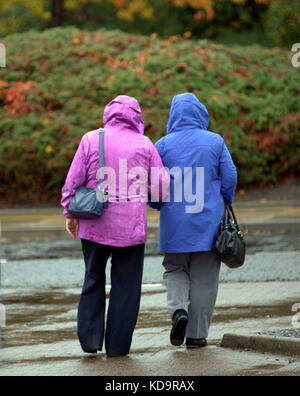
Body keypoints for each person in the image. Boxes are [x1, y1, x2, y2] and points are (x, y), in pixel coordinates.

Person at [61, 95, 169, 357]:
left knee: (93, 277)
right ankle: (118, 347)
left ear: (108, 113)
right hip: (130, 229)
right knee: (126, 287)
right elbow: (161, 187)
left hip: (93, 221)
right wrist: (154, 200)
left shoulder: (90, 139)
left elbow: (73, 178)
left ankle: (90, 340)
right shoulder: (144, 144)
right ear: (137, 117)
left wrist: (69, 212)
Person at [149, 93, 237, 349]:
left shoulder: (162, 145)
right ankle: (196, 336)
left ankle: (178, 311)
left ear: (173, 115)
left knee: (175, 269)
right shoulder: (215, 142)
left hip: (174, 223)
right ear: (201, 113)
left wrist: (157, 204)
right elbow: (229, 175)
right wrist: (224, 199)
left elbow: (154, 183)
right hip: (208, 222)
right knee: (204, 278)